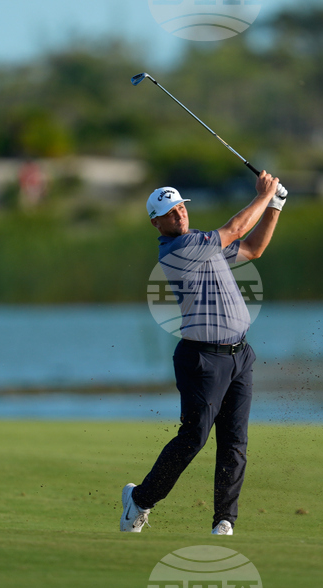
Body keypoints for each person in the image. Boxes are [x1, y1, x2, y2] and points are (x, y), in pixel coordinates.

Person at [121, 171, 288, 535]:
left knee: (234, 441)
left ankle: (224, 520)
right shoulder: (179, 250)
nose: (179, 214)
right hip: (202, 359)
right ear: (156, 223)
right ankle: (140, 500)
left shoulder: (201, 241)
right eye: (170, 212)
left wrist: (275, 205)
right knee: (194, 437)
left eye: (180, 206)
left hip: (239, 355)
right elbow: (234, 229)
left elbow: (253, 248)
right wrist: (263, 194)